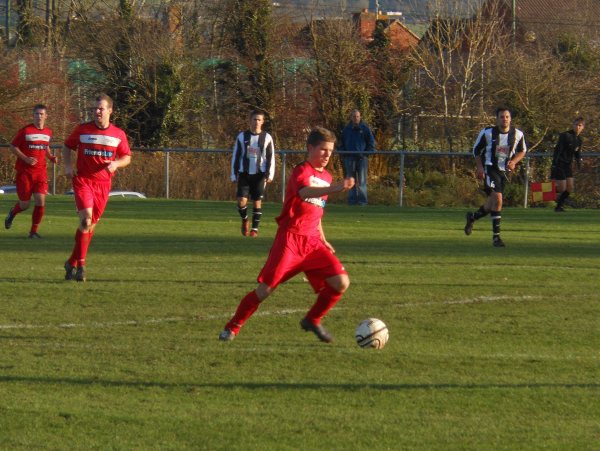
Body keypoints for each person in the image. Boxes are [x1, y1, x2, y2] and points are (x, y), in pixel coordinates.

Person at [219, 126, 355, 343]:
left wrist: (324, 238)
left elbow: (316, 211)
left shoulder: (327, 176)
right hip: (290, 241)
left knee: (341, 282)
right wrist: (337, 188)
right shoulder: (301, 171)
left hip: (312, 243)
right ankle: (232, 327)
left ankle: (312, 319)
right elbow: (304, 193)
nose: (328, 155)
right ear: (310, 148)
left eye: (330, 150)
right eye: (323, 150)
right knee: (265, 290)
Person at [62, 93, 132, 282]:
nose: (97, 111)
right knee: (86, 221)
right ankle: (82, 267)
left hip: (103, 185)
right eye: (95, 108)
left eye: (101, 108)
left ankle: (71, 262)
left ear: (110, 111)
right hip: (83, 180)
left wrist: (116, 164)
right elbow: (67, 146)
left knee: (90, 226)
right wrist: (68, 166)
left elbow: (127, 156)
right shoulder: (83, 130)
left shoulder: (118, 134)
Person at [464, 107, 527, 247]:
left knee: (492, 203)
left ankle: (472, 217)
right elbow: (476, 150)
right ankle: (496, 238)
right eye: (501, 117)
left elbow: (523, 151)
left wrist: (514, 161)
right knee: (498, 199)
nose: (504, 119)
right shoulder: (487, 132)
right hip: (490, 169)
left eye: (507, 116)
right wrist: (480, 167)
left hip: (504, 172)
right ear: (497, 118)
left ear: (510, 118)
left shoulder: (517, 134)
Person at [4, 104, 56, 238]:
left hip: (41, 173)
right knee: (24, 205)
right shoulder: (26, 131)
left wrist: (50, 157)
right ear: (33, 116)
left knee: (40, 202)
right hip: (25, 173)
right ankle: (12, 213)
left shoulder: (48, 132)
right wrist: (26, 159)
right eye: (36, 114)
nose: (39, 116)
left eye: (41, 114)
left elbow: (46, 147)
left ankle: (33, 231)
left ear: (46, 116)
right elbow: (13, 146)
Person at [230, 110, 276, 237]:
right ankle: (245, 220)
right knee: (241, 202)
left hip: (260, 174)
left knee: (257, 201)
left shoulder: (267, 137)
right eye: (254, 119)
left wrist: (270, 174)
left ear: (263, 122)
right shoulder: (242, 136)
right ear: (250, 121)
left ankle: (254, 230)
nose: (256, 122)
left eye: (259, 120)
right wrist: (233, 174)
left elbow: (271, 157)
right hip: (244, 173)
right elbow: (236, 155)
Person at [338, 109, 375, 205]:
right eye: (354, 117)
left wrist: (366, 154)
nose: (356, 118)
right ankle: (352, 201)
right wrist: (344, 154)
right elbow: (341, 144)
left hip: (362, 159)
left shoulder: (365, 129)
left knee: (362, 181)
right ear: (351, 118)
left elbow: (371, 144)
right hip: (349, 158)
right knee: (350, 181)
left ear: (360, 117)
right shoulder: (346, 130)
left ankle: (363, 202)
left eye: (358, 116)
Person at [551, 117, 584, 212]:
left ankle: (558, 207)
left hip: (568, 165)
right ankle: (545, 190)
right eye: (576, 125)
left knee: (570, 188)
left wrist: (579, 163)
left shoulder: (579, 140)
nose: (577, 127)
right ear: (572, 125)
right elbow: (558, 150)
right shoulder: (565, 135)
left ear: (583, 127)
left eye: (579, 125)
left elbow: (577, 153)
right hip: (560, 164)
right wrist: (554, 164)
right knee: (562, 188)